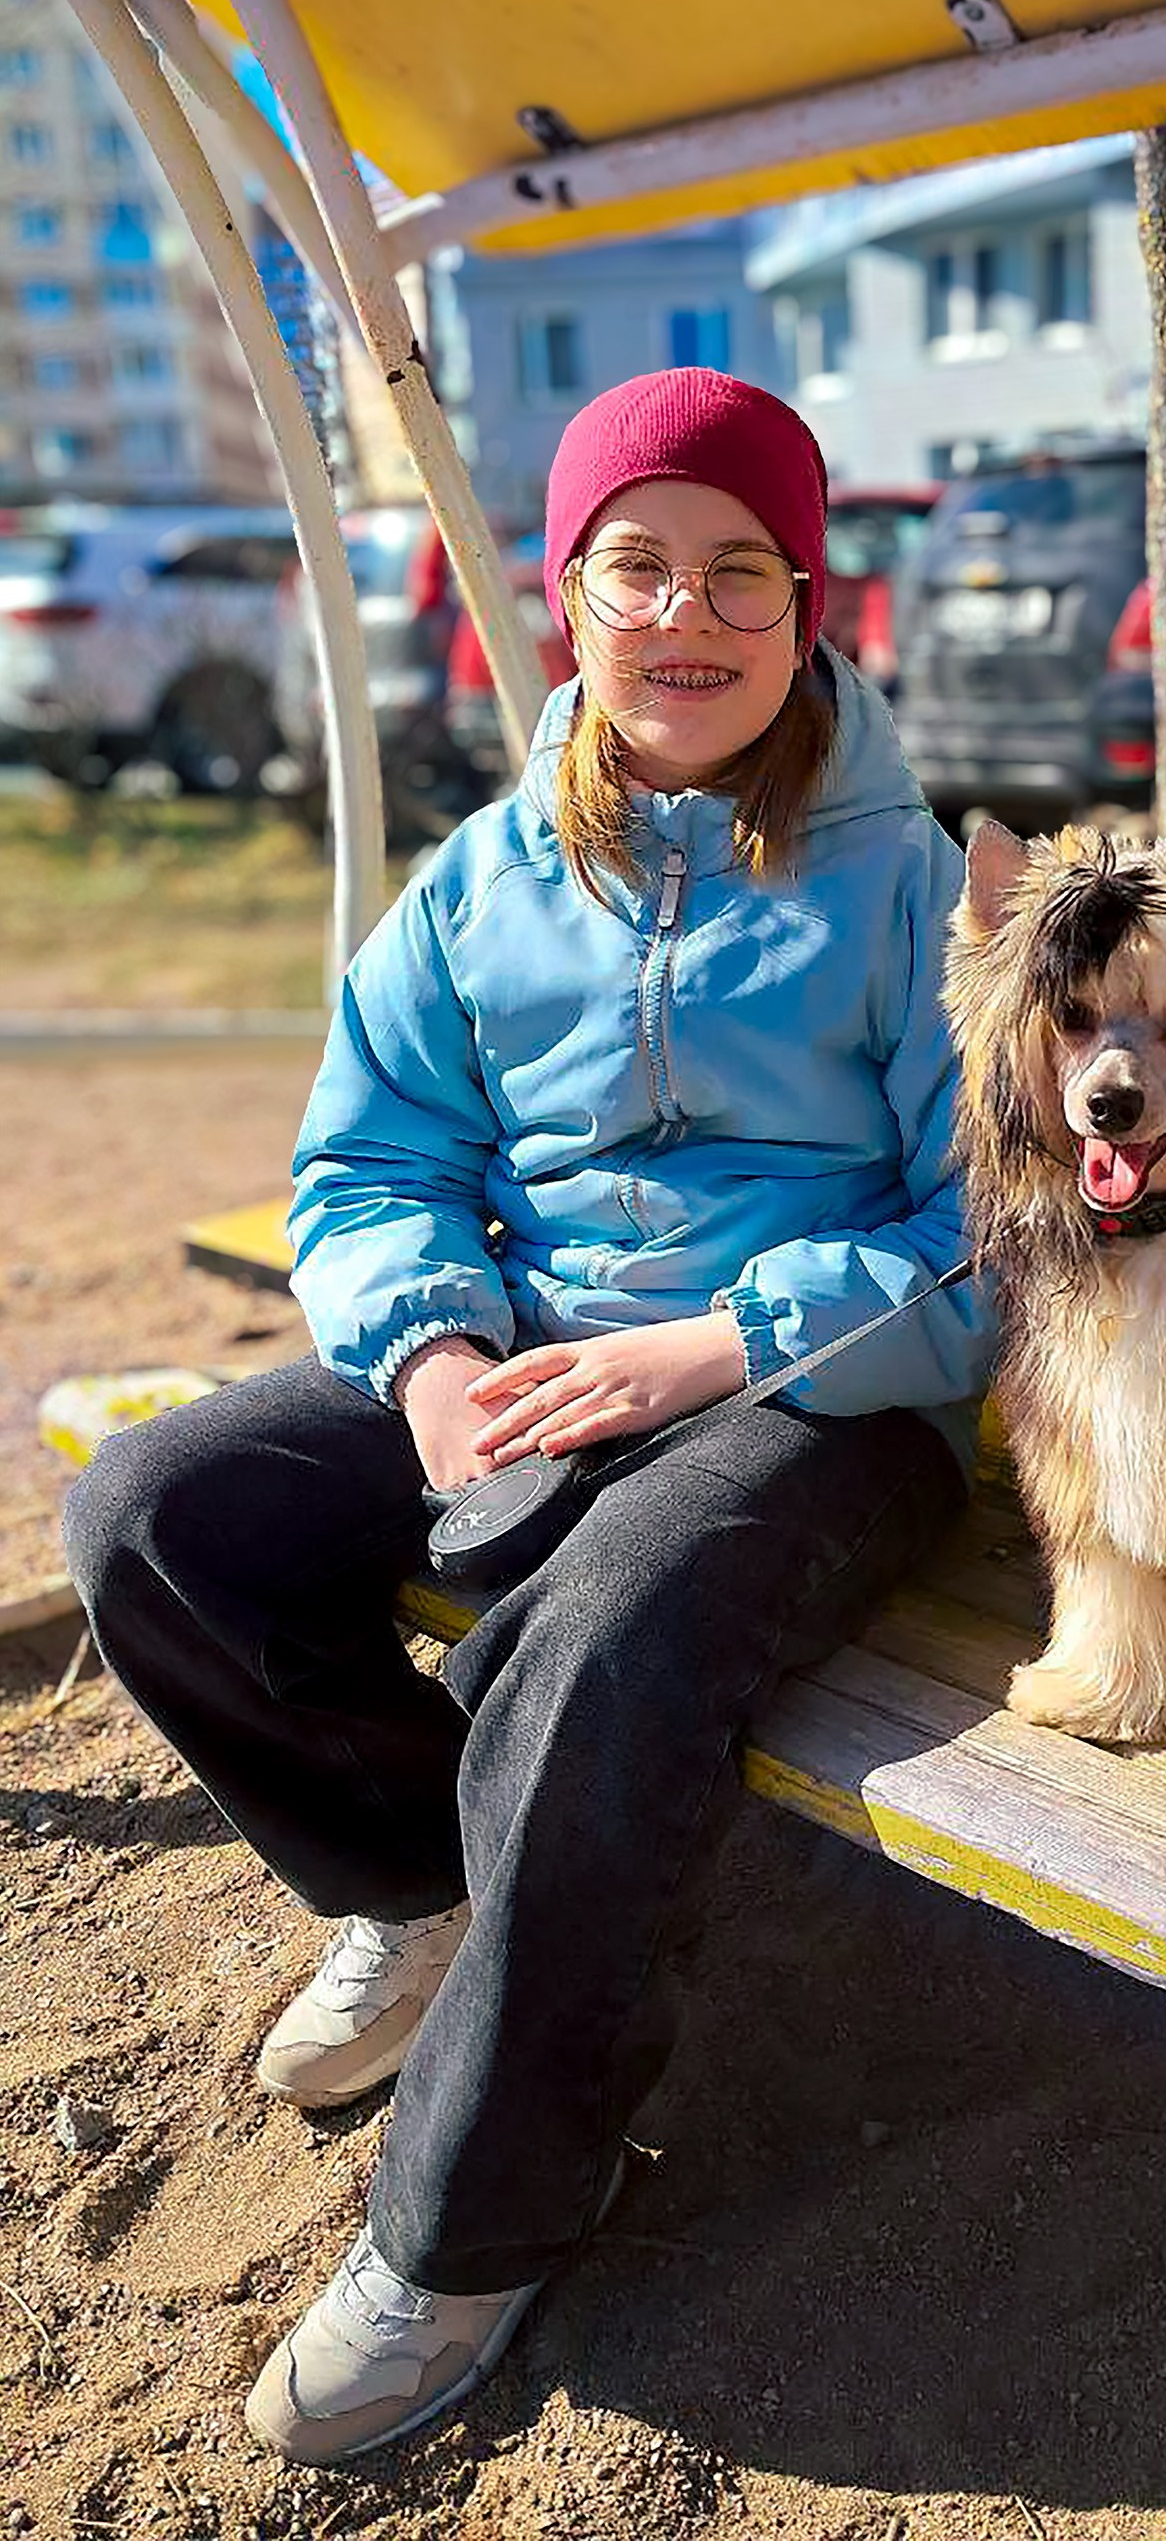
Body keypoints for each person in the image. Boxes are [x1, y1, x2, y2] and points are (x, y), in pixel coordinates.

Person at [63, 370, 992, 2467]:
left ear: (805, 599)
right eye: (637, 563)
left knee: (590, 1649)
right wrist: (432, 1357)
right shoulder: (486, 881)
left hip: (823, 1400)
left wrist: (722, 1343)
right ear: (569, 597)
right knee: (156, 1514)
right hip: (529, 1360)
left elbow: (995, 1236)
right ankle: (420, 1877)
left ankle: (473, 2221)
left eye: (739, 568)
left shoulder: (909, 890)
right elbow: (368, 1160)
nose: (689, 611)